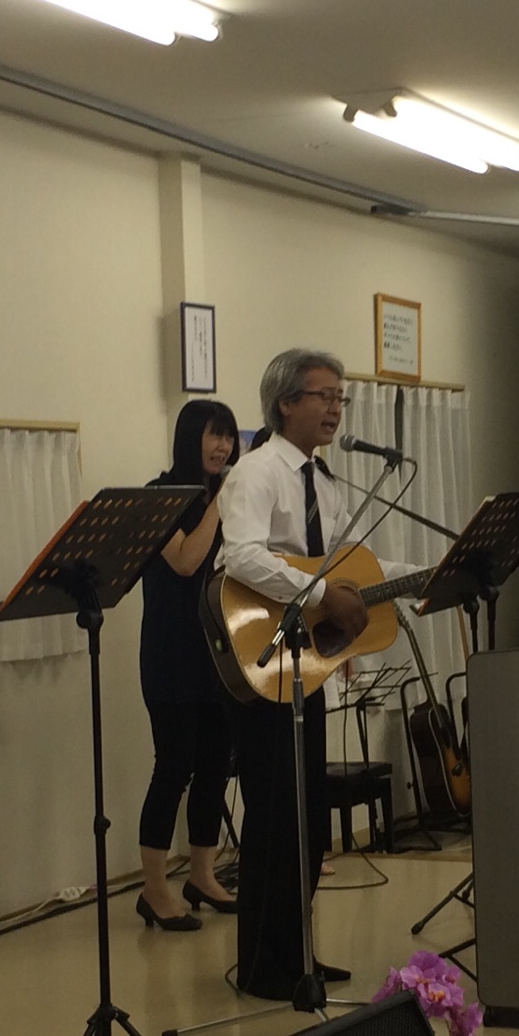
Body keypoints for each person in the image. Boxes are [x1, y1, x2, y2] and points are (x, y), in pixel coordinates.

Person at [216, 349, 418, 1000]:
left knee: (307, 817)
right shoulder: (256, 472)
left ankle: (296, 953)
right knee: (273, 814)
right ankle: (261, 966)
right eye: (323, 396)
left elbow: (343, 566)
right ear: (286, 404)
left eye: (340, 398)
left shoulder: (324, 482)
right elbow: (241, 557)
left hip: (308, 662)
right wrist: (321, 592)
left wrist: (417, 576)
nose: (335, 408)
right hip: (263, 653)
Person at [135, 399, 241, 931]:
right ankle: (154, 889)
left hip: (218, 651)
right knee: (173, 766)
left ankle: (202, 875)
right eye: (213, 435)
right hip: (171, 652)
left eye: (228, 436)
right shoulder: (160, 496)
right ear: (189, 438)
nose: (222, 446)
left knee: (216, 765)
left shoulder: (227, 496)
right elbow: (186, 561)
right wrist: (220, 500)